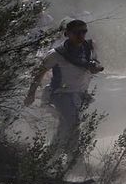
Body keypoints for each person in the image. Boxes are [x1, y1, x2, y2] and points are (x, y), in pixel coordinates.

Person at [24, 19, 103, 156]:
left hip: (80, 94)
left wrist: (95, 67)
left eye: (84, 32)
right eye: (76, 32)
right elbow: (39, 74)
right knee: (73, 123)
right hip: (61, 94)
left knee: (64, 126)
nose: (81, 35)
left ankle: (49, 156)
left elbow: (95, 62)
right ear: (67, 34)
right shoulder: (56, 54)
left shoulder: (88, 47)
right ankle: (73, 160)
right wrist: (31, 94)